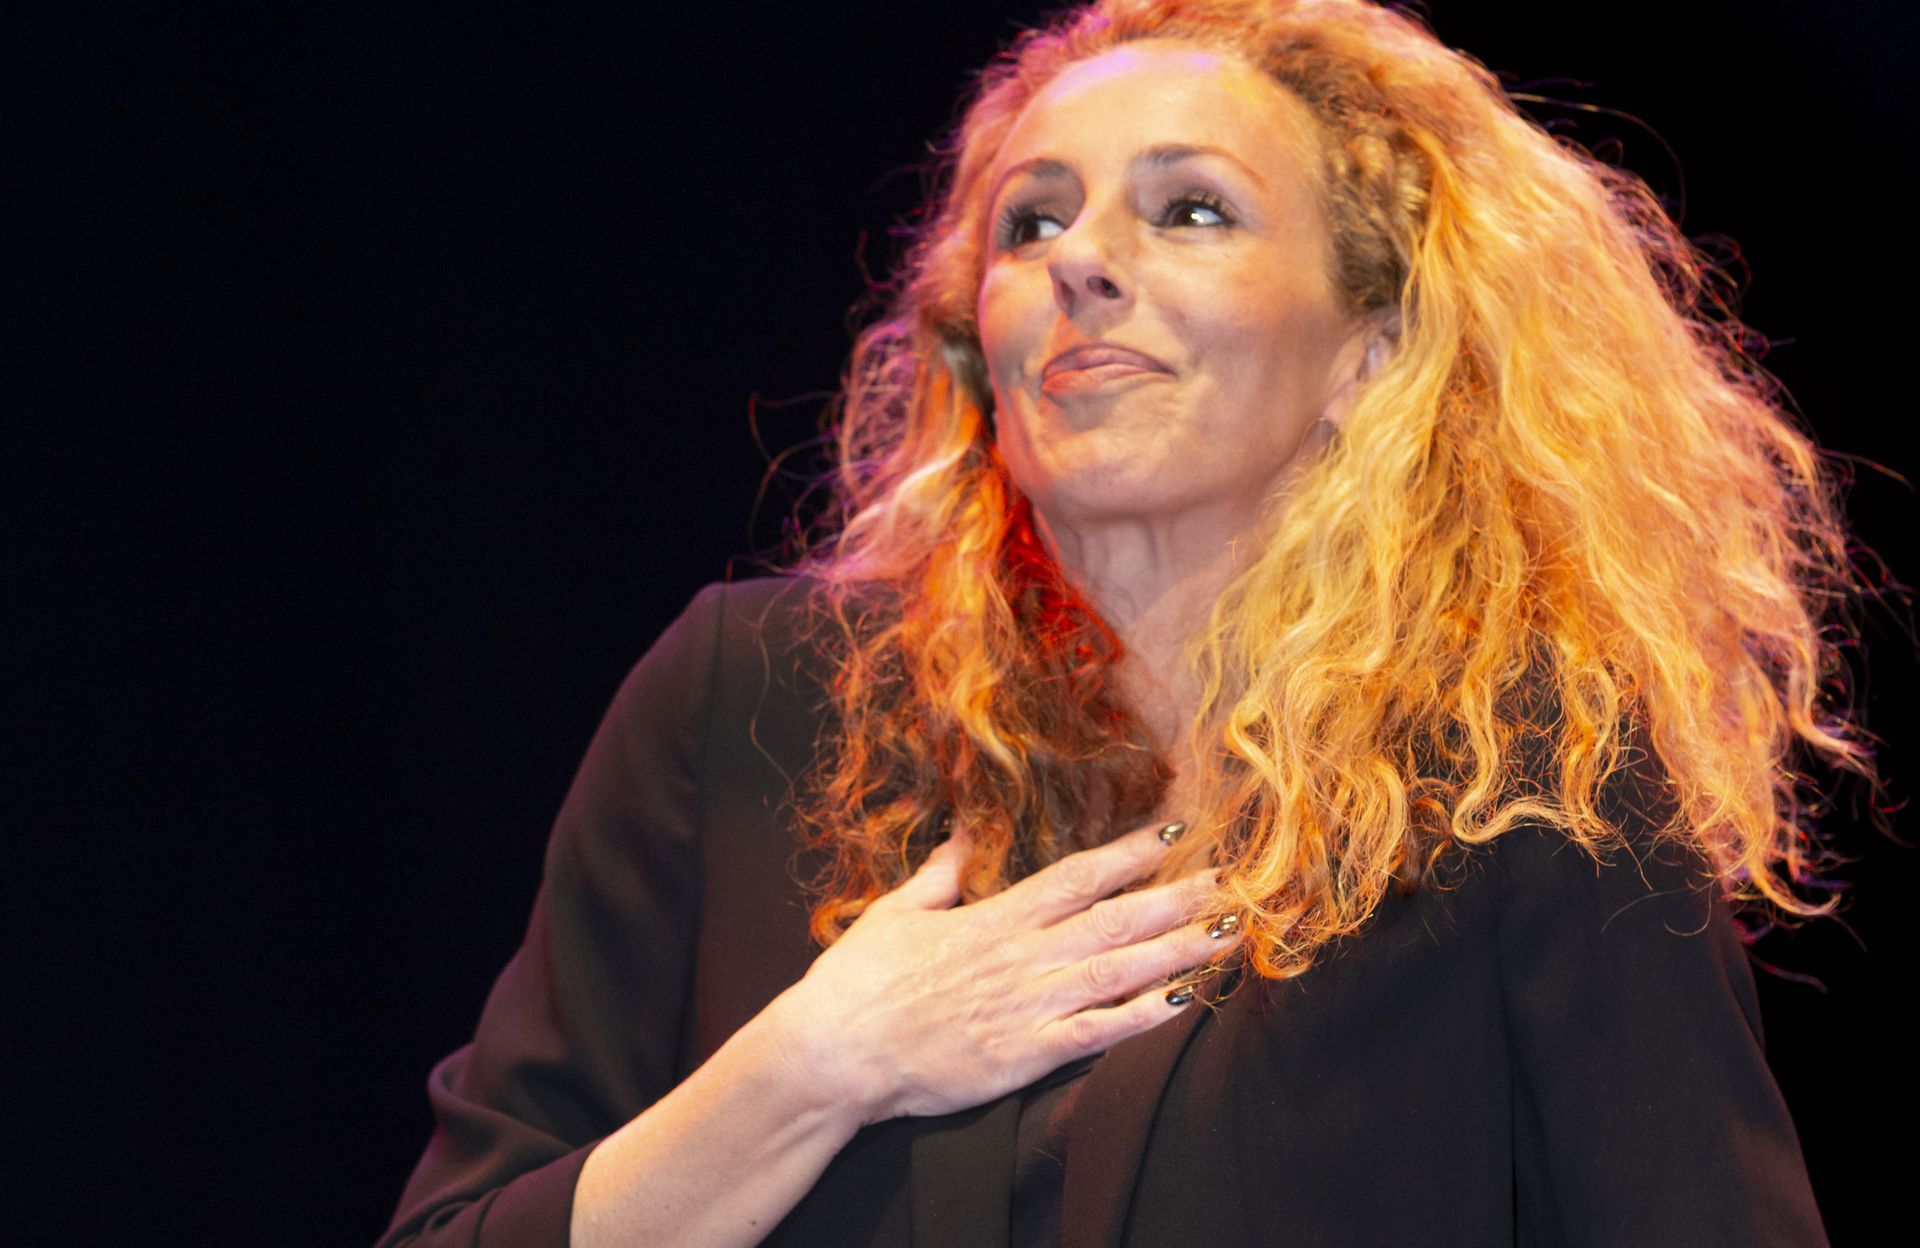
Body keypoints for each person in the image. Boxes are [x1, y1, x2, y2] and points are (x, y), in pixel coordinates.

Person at [377, 1, 1879, 1244]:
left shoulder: (1521, 775)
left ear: (1370, 349)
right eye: (1032, 223)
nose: (1080, 261)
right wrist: (818, 1065)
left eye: (1191, 210)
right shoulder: (754, 702)